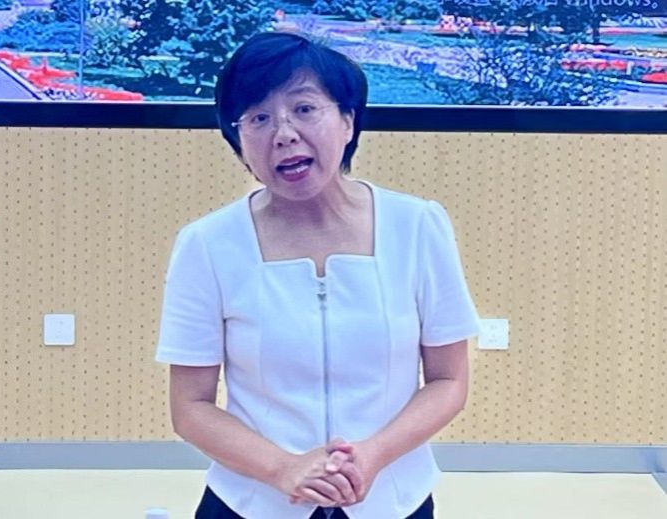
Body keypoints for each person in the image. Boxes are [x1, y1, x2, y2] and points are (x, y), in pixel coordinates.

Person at [156, 31, 480, 519]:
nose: (283, 133)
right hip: (253, 502)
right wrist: (283, 468)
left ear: (348, 120)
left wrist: (373, 455)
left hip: (392, 498)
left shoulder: (417, 226)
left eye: (304, 109)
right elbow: (191, 408)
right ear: (238, 142)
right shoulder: (207, 244)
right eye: (258, 118)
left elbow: (449, 379)